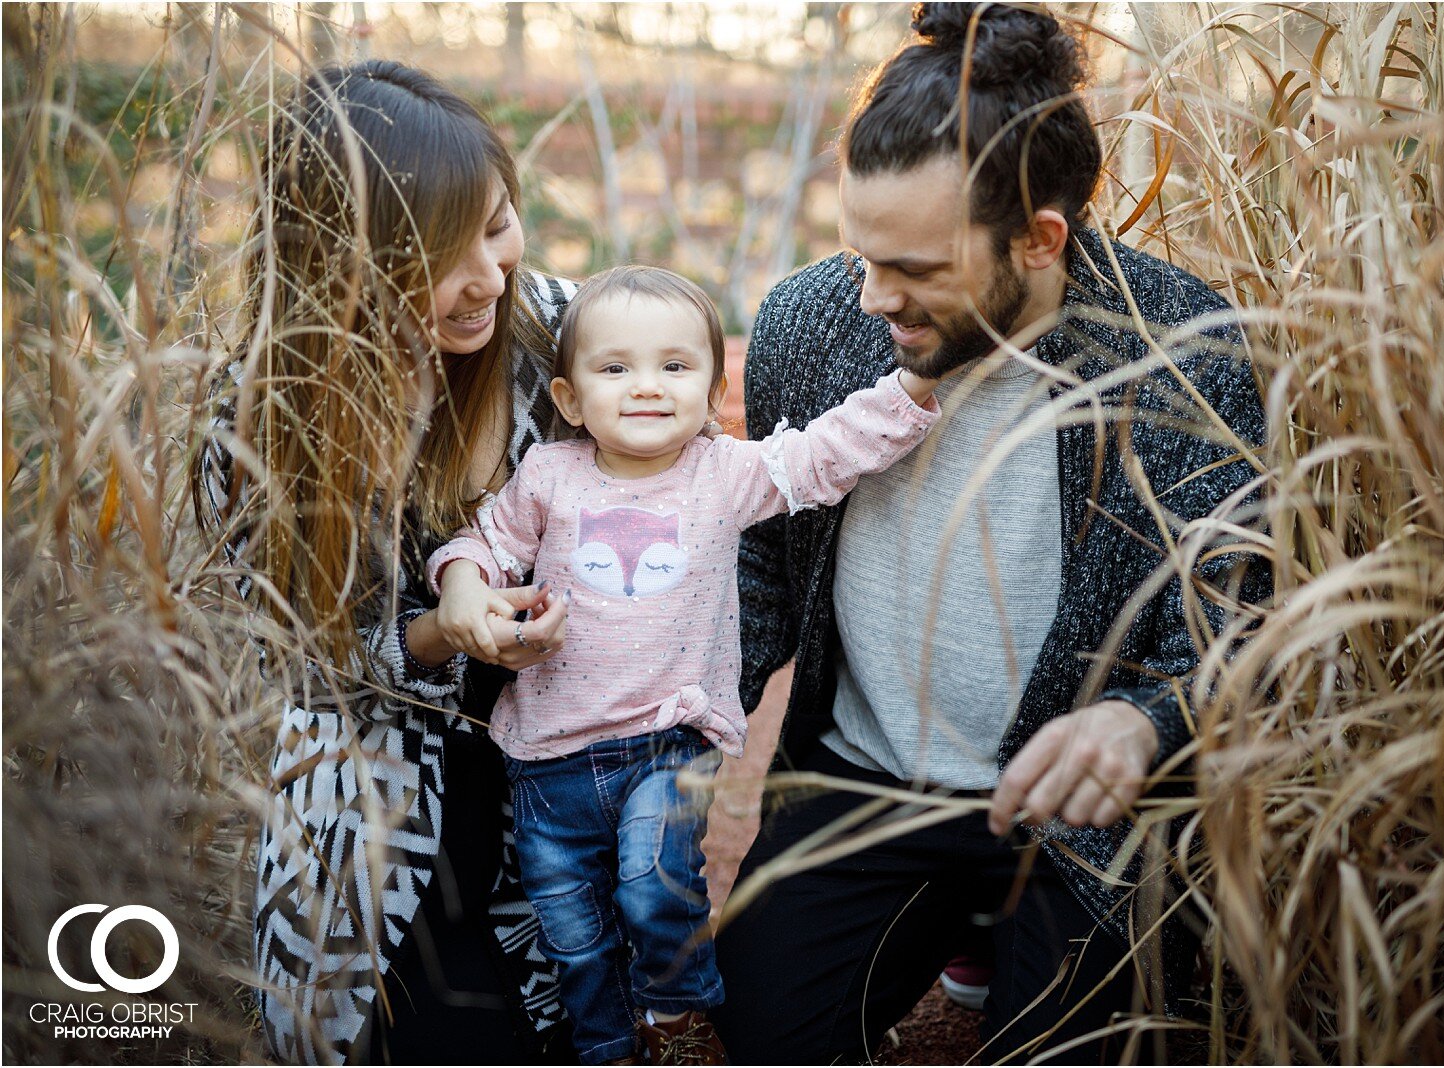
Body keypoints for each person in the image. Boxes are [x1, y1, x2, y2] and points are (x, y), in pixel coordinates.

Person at [712, 3, 1269, 1063]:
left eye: (916, 270)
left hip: (1077, 821)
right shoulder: (810, 320)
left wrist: (1148, 722)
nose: (873, 298)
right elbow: (759, 562)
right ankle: (947, 921)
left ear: (1039, 239)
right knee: (763, 1033)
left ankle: (1001, 932)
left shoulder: (1186, 359)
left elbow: (1237, 617)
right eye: (859, 254)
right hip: (863, 779)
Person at [424, 265, 942, 1064]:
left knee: (652, 882)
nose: (646, 387)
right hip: (546, 758)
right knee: (572, 933)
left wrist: (909, 394)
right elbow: (484, 544)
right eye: (615, 368)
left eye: (675, 366)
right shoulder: (548, 477)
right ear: (568, 400)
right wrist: (462, 584)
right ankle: (604, 1044)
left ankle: (675, 1019)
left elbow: (819, 457)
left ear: (711, 393)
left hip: (667, 736)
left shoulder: (721, 474)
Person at [194, 61, 580, 1064]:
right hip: (377, 797)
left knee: (580, 1018)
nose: (490, 277)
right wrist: (445, 631)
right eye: (446, 257)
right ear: (345, 265)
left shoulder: (563, 332)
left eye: (499, 227)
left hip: (567, 763)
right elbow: (313, 658)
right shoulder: (260, 415)